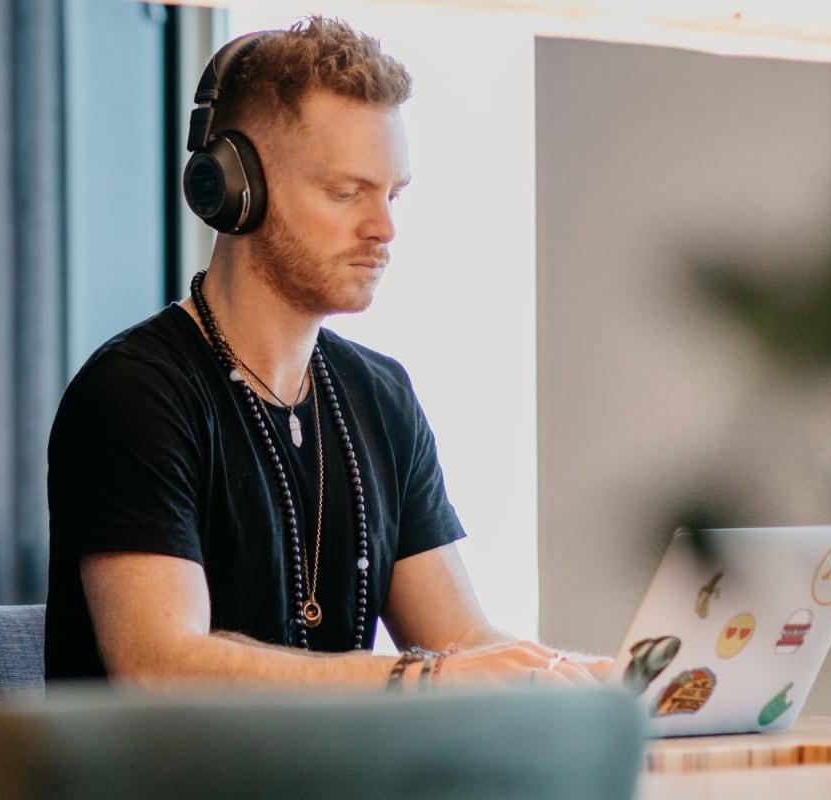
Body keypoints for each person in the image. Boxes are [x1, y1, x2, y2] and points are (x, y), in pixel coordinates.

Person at [45, 16, 611, 688]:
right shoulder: (135, 395)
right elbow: (159, 665)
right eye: (347, 193)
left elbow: (461, 642)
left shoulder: (380, 396)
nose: (384, 229)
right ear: (235, 191)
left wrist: (593, 681)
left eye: (392, 195)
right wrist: (419, 681)